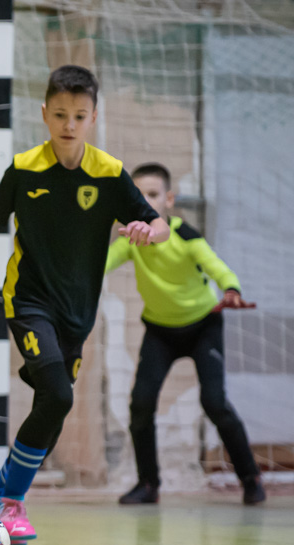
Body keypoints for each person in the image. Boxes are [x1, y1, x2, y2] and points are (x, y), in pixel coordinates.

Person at [0, 65, 170, 545]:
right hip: (27, 300)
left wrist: (148, 230)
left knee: (52, 411)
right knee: (58, 396)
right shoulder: (25, 168)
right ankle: (11, 501)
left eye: (79, 115)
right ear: (45, 114)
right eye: (60, 114)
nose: (69, 124)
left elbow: (160, 225)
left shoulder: (109, 172)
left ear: (93, 117)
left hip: (78, 313)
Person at [106, 162, 265, 505]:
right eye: (138, 196)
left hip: (203, 326)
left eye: (152, 194)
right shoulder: (131, 240)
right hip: (160, 332)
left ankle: (250, 478)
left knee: (214, 402)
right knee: (141, 404)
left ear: (169, 200)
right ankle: (148, 484)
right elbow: (100, 264)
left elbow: (217, 267)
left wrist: (231, 288)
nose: (146, 202)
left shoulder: (186, 236)